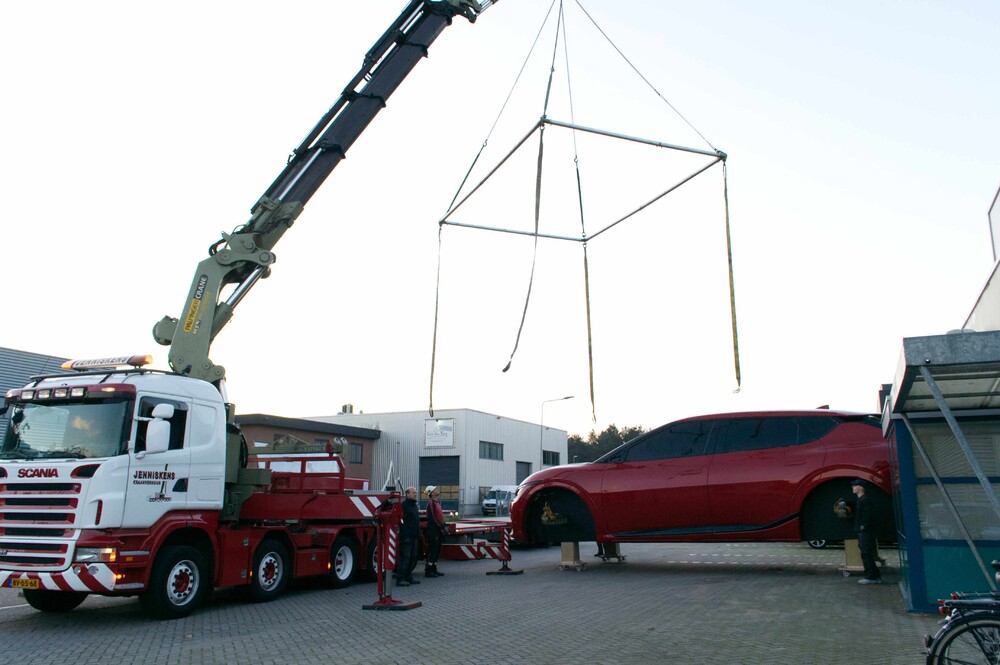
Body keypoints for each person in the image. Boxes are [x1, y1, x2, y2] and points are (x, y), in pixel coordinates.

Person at [852, 479, 883, 585]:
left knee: (866, 552)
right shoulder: (862, 499)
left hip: (865, 531)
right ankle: (872, 575)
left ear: (861, 487)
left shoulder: (865, 500)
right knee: (865, 552)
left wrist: (863, 527)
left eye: (855, 485)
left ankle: (871, 576)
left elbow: (867, 516)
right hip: (863, 530)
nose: (853, 487)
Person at [395, 487, 421, 587]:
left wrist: (418, 533)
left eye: (416, 492)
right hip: (407, 537)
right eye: (413, 493)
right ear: (407, 494)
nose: (415, 494)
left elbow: (416, 521)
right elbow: (401, 522)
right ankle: (400, 578)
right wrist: (405, 535)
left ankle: (408, 576)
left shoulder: (414, 506)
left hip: (414, 536)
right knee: (405, 558)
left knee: (413, 558)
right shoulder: (404, 506)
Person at [424, 485, 446, 578]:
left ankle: (434, 568)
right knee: (433, 550)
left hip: (437, 530)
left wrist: (444, 525)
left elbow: (439, 516)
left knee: (437, 550)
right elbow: (433, 518)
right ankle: (429, 571)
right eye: (435, 490)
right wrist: (440, 526)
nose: (437, 490)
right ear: (432, 493)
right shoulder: (431, 504)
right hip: (433, 531)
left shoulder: (436, 503)